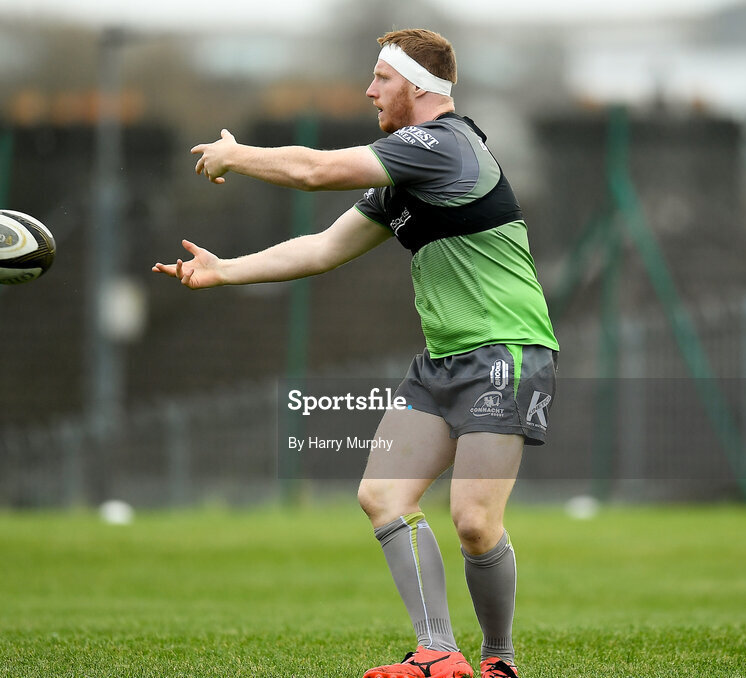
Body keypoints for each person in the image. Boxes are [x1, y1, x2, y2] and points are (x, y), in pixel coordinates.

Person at [153, 28, 558, 678]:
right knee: (382, 493)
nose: (370, 91)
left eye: (383, 79)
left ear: (419, 87)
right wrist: (223, 271)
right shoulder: (403, 177)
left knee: (475, 523)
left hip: (506, 353)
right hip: (443, 363)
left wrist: (239, 155)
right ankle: (438, 653)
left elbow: (315, 172)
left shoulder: (444, 146)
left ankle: (499, 662)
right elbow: (320, 249)